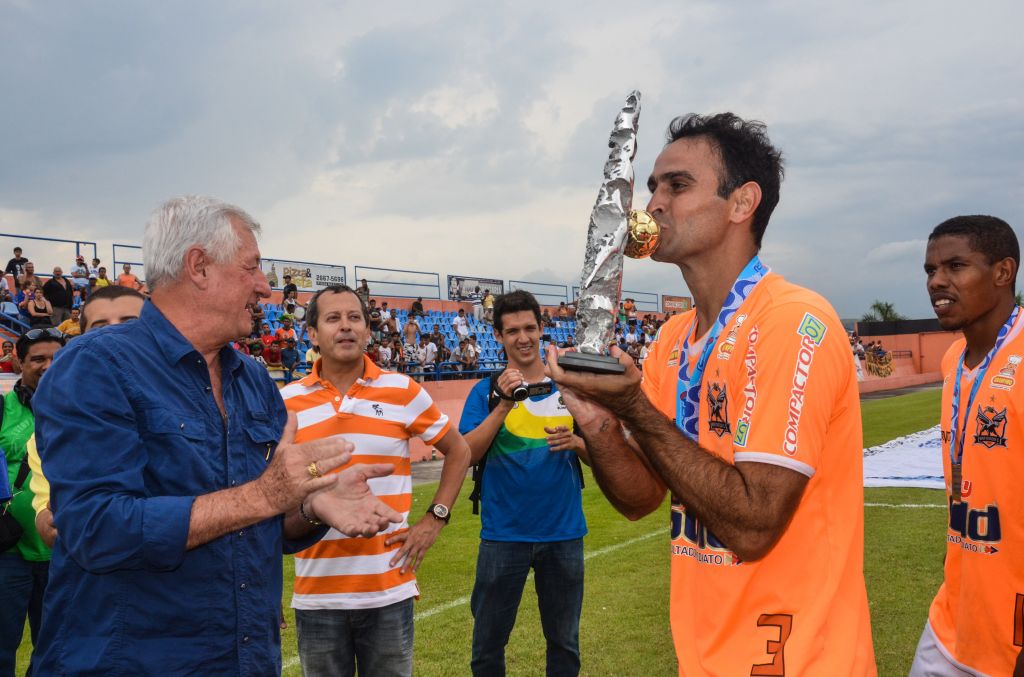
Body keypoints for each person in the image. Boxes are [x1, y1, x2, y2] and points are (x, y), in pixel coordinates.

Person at [547, 113, 875, 674]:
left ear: (742, 203)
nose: (652, 204)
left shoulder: (792, 321)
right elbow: (640, 498)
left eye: (677, 185)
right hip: (704, 654)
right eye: (652, 186)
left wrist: (634, 409)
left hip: (798, 658)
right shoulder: (672, 337)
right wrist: (599, 423)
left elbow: (754, 525)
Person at [31, 195, 403, 674]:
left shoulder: (252, 379)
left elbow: (262, 526)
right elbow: (95, 529)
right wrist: (266, 495)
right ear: (199, 267)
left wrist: (311, 507)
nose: (265, 288)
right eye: (252, 268)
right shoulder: (95, 366)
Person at [281, 285, 471, 676]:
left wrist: (435, 518)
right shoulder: (286, 403)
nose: (346, 327)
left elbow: (460, 450)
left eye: (355, 318)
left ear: (369, 330)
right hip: (317, 594)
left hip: (388, 588)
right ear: (313, 334)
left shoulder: (402, 391)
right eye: (333, 318)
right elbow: (271, 496)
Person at [911, 216, 1024, 676]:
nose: (937, 281)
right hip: (953, 620)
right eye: (930, 270)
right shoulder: (953, 360)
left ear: (1003, 272)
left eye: (956, 266)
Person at [459, 290, 590, 676]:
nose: (523, 337)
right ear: (498, 336)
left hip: (563, 534)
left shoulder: (570, 387)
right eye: (512, 330)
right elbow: (466, 454)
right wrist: (502, 403)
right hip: (504, 536)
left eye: (530, 327)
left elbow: (603, 455)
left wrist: (577, 442)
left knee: (564, 644)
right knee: (487, 645)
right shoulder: (484, 392)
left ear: (542, 329)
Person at [29, 285, 148, 550]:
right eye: (100, 326)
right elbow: (52, 505)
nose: (115, 331)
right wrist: (44, 514)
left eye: (130, 323)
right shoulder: (58, 417)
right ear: (83, 337)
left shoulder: (193, 395)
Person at [0, 328, 66, 675]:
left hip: (63, 553)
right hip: (9, 551)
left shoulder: (85, 409)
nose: (48, 365)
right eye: (38, 358)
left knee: (56, 649)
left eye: (56, 357)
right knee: (2, 645)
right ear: (19, 363)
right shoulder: (2, 408)